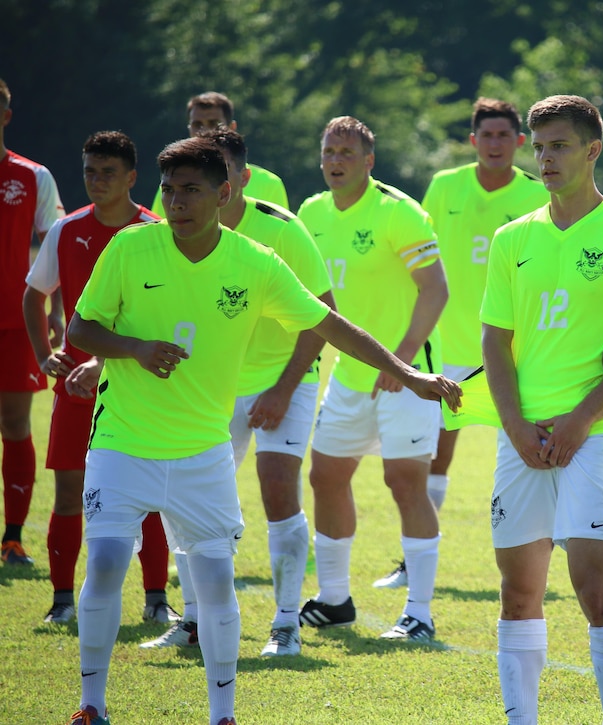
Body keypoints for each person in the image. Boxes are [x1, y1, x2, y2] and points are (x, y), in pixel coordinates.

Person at [65, 136, 460, 725]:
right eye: (169, 190)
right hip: (123, 445)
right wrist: (135, 349)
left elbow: (331, 324)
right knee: (103, 569)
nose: (176, 202)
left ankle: (223, 713)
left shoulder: (255, 262)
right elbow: (81, 330)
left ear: (225, 193)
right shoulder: (129, 248)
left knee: (218, 583)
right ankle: (91, 706)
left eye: (191, 190)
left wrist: (408, 372)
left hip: (203, 453)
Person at [480, 95, 603, 724]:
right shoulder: (513, 238)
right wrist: (514, 426)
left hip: (596, 435)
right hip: (522, 438)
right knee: (518, 592)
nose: (544, 158)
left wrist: (581, 418)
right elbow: (495, 343)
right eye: (539, 147)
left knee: (594, 589)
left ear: (593, 150)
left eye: (558, 146)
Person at [141, 129, 334, 656]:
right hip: (209, 389)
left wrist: (282, 390)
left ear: (240, 180)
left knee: (277, 492)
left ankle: (287, 624)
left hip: (284, 380)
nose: (201, 190)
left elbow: (323, 317)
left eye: (218, 174)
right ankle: (196, 620)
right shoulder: (172, 230)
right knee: (189, 504)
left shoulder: (283, 231)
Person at [361, 98, 552, 590]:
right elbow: (420, 262)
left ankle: (550, 544)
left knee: (537, 447)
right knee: (436, 458)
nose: (494, 144)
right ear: (473, 141)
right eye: (485, 135)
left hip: (513, 351)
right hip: (447, 345)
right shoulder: (445, 186)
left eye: (503, 136)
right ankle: (413, 563)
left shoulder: (536, 196)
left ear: (519, 143)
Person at [297, 116, 449, 640]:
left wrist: (402, 362)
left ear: (368, 161)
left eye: (345, 152)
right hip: (348, 374)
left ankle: (420, 613)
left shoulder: (398, 213)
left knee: (405, 483)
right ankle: (335, 599)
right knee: (325, 476)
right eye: (328, 151)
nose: (334, 161)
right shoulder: (311, 213)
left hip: (407, 375)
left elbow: (436, 289)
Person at [23, 130, 178, 625]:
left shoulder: (157, 232)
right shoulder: (67, 231)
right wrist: (46, 354)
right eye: (90, 170)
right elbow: (34, 295)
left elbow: (162, 318)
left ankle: (156, 601)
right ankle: (62, 602)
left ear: (132, 178)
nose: (96, 180)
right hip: (74, 385)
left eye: (108, 172)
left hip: (137, 384)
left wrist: (104, 362)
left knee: (150, 492)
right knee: (69, 491)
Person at [0, 77, 65, 565]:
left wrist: (60, 313)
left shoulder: (32, 176)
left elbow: (55, 247)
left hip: (15, 322)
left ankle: (13, 537)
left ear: (5, 115)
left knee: (14, 423)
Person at [150, 91, 288, 215]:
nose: (204, 132)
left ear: (232, 128)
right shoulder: (173, 185)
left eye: (214, 123)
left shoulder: (270, 184)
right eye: (197, 125)